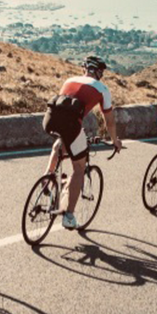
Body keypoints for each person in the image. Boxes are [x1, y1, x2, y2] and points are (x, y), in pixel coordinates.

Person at [43, 55, 122, 229]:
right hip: (71, 124)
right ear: (100, 72)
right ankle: (69, 215)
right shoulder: (102, 89)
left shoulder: (69, 79)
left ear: (84, 69)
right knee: (79, 168)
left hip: (49, 119)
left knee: (61, 142)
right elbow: (109, 120)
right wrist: (115, 141)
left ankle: (48, 176)